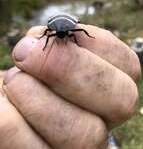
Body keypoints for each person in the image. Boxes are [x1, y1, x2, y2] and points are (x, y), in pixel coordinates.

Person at [1, 24, 141, 149]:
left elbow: (75, 30)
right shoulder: (56, 32)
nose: (61, 38)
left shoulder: (67, 31)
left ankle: (110, 140)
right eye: (59, 36)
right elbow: (51, 33)